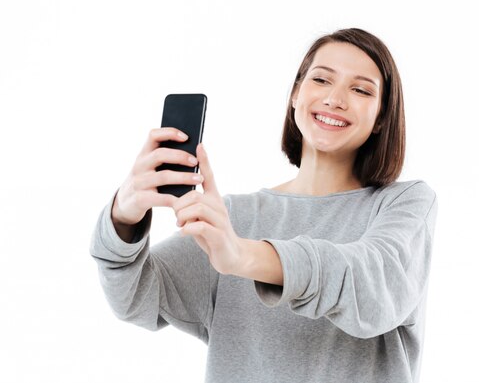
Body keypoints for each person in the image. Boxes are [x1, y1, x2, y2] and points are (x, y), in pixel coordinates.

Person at [90, 28, 438, 383]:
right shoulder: (233, 219)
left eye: (361, 89)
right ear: (295, 94)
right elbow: (134, 298)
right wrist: (124, 217)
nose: (335, 99)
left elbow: (373, 289)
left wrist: (243, 255)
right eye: (321, 80)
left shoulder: (403, 204)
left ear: (381, 117)